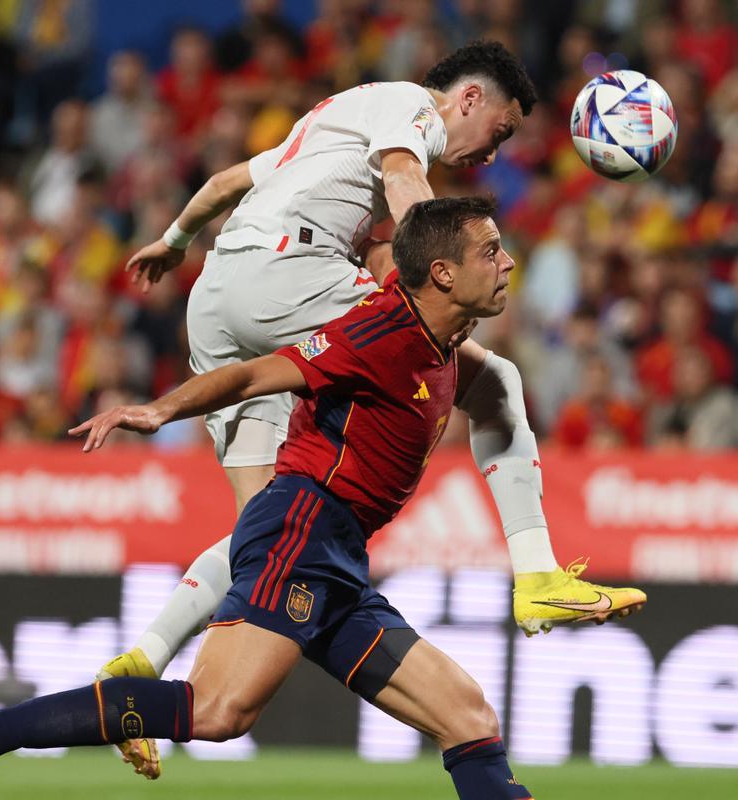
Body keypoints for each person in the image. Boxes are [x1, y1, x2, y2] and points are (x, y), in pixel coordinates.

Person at [0, 197, 646, 800]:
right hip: (302, 520)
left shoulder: (448, 338)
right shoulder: (380, 332)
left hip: (340, 553)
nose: (509, 260)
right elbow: (260, 375)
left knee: (466, 714)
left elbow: (410, 238)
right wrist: (159, 410)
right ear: (444, 274)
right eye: (491, 251)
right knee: (218, 712)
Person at [104, 40, 625, 778]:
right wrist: (430, 274)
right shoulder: (410, 109)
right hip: (290, 274)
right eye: (499, 133)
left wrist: (173, 239)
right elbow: (407, 175)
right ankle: (537, 575)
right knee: (495, 382)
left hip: (217, 299)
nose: (487, 154)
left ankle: (141, 660)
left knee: (265, 522)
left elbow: (225, 182)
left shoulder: (328, 119)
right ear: (468, 99)